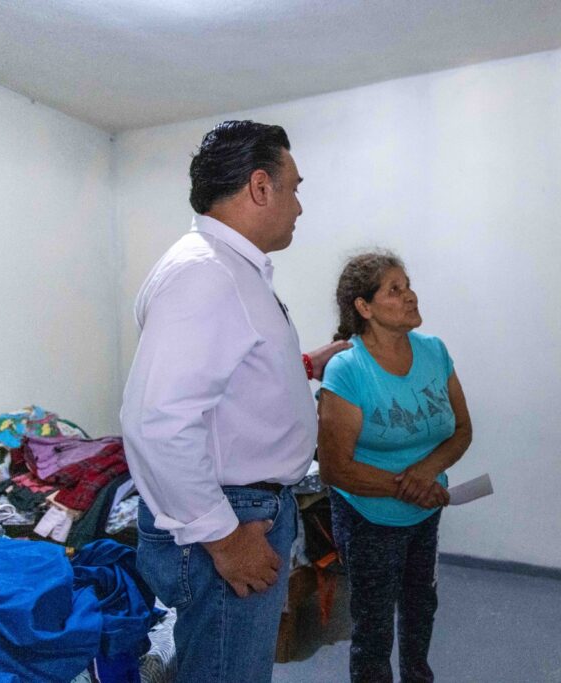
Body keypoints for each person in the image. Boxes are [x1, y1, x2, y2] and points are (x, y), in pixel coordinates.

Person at [120, 120, 349, 682]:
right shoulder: (206, 273)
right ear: (260, 186)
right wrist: (223, 539)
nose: (299, 206)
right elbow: (156, 421)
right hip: (233, 516)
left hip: (243, 507)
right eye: (294, 188)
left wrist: (304, 365)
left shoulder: (226, 269)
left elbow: (231, 382)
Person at [317, 251, 473, 683]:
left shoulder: (434, 351)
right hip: (368, 519)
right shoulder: (347, 369)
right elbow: (334, 468)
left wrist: (425, 474)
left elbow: (462, 429)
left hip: (426, 511)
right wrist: (409, 485)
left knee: (421, 608)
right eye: (394, 290)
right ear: (364, 308)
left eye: (408, 285)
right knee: (374, 628)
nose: (410, 296)